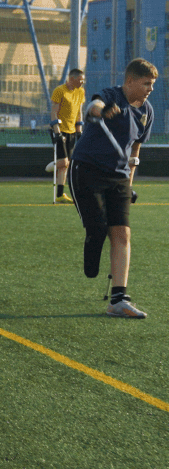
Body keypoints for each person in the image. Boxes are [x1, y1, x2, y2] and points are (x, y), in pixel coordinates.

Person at [68, 58, 157, 318]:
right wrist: (97, 111)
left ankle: (118, 299)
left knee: (122, 233)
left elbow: (135, 150)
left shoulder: (147, 112)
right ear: (130, 81)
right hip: (87, 169)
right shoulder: (112, 95)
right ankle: (92, 245)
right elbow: (96, 104)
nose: (150, 89)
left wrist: (129, 184)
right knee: (98, 228)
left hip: (118, 177)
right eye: (146, 84)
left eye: (152, 84)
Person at [49, 68, 86, 203]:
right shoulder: (59, 91)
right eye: (80, 80)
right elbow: (54, 112)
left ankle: (60, 196)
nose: (83, 82)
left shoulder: (80, 92)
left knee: (66, 164)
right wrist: (57, 132)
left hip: (72, 130)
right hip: (59, 130)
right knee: (64, 163)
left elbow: (79, 112)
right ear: (72, 79)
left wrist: (79, 130)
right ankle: (55, 164)